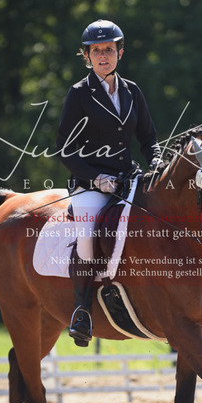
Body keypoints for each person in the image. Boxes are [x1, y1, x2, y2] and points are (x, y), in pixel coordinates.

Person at [56, 19, 163, 347]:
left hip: (129, 178)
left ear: (120, 52)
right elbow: (65, 148)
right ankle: (82, 311)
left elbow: (148, 138)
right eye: (96, 51)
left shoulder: (132, 91)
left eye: (109, 49)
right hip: (91, 183)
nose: (103, 55)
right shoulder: (79, 93)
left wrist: (157, 162)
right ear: (87, 56)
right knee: (87, 236)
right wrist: (95, 178)